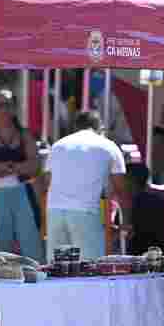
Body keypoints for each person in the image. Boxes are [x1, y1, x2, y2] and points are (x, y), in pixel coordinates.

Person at [42, 111, 126, 261]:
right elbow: (121, 188)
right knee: (89, 270)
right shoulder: (109, 146)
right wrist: (126, 221)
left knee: (57, 270)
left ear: (75, 127)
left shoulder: (58, 145)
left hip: (55, 211)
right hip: (85, 212)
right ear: (100, 128)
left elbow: (47, 180)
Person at [0, 89, 44, 263]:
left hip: (22, 192)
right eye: (0, 105)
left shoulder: (24, 134)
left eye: (8, 105)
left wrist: (7, 167)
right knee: (0, 246)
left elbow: (34, 166)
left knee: (31, 242)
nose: (4, 110)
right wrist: (17, 167)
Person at [125, 163, 164, 255]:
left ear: (131, 180)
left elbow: (131, 230)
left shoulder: (134, 203)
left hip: (141, 257)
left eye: (124, 178)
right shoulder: (157, 200)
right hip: (157, 255)